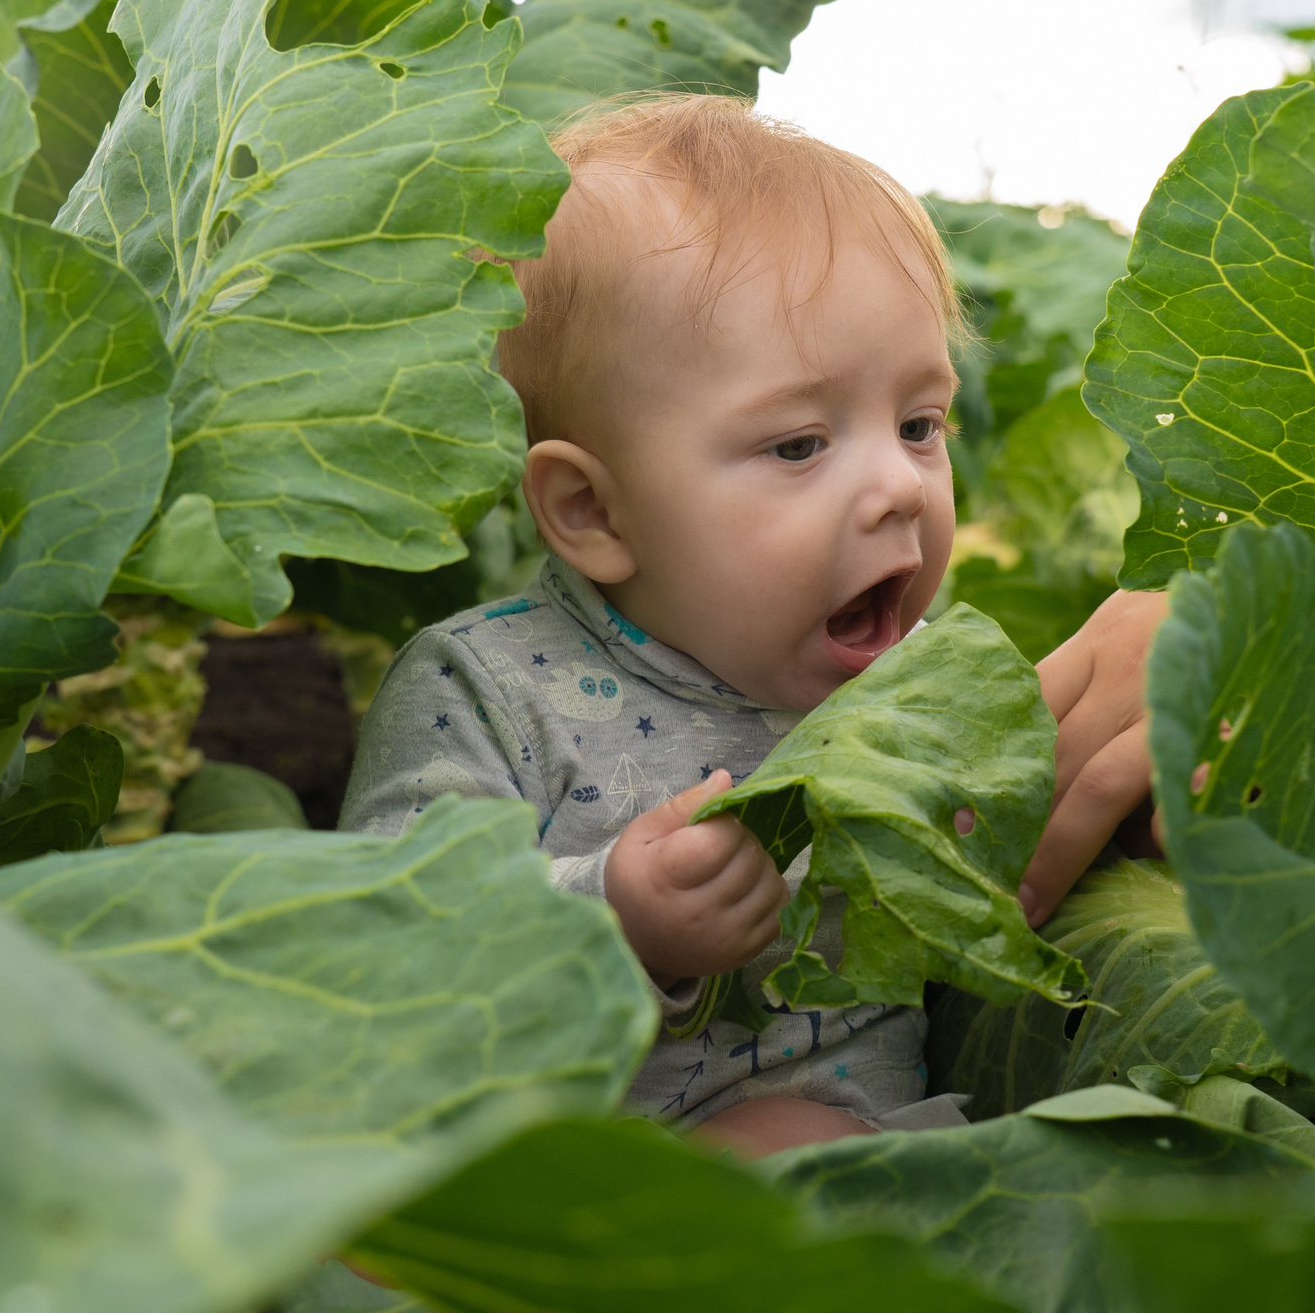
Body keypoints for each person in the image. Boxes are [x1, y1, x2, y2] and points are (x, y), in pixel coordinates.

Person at [339, 95, 1162, 1158]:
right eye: (797, 446)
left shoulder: (924, 693)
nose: (897, 489)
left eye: (919, 426)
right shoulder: (487, 688)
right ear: (594, 512)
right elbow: (388, 942)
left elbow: (1023, 871)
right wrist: (618, 916)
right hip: (538, 1187)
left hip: (845, 1162)